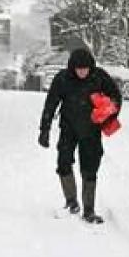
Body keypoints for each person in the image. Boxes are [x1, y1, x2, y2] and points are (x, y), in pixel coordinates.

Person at [37, 48, 121, 224]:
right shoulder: (62, 79)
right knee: (63, 163)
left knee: (90, 169)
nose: (82, 72)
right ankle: (71, 202)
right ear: (72, 67)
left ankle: (89, 210)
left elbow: (116, 97)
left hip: (91, 131)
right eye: (79, 69)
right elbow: (51, 103)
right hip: (68, 128)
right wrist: (44, 129)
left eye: (85, 68)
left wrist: (109, 113)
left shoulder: (99, 77)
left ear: (91, 67)